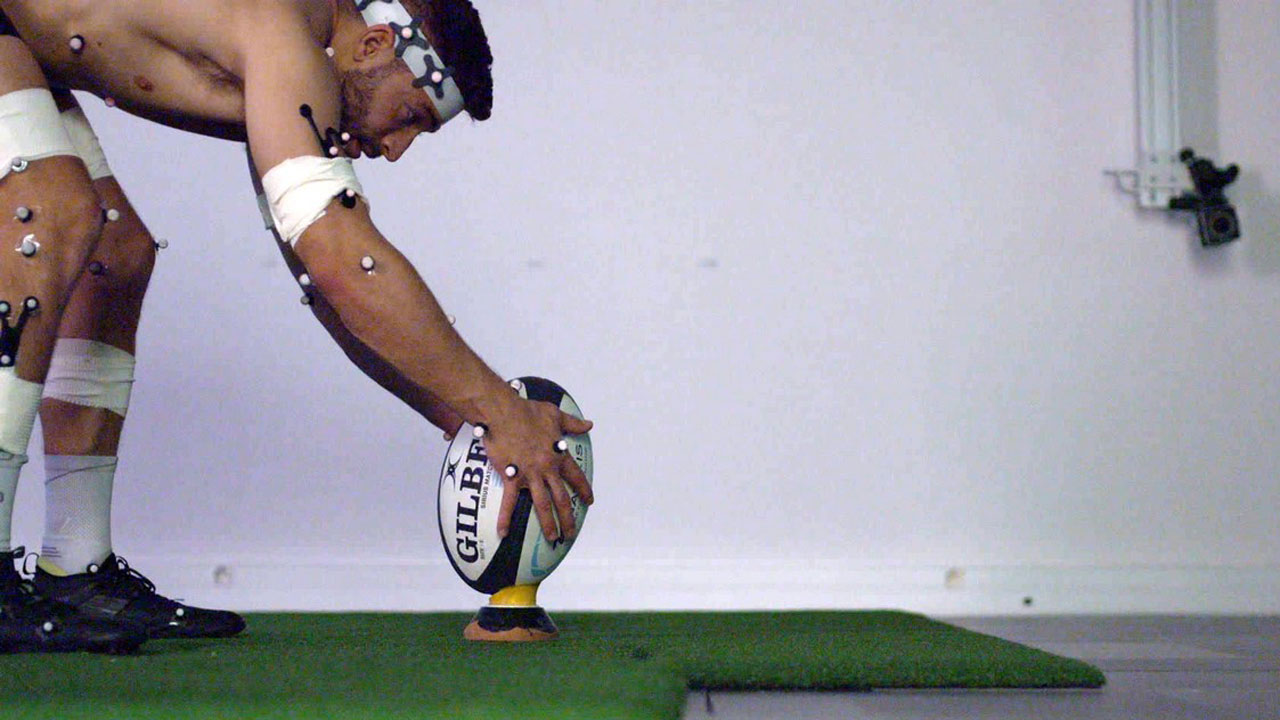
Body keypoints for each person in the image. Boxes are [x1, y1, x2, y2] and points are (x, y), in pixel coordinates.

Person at [0, 0, 593, 654]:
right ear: (373, 45)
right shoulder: (286, 42)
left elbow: (327, 287)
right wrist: (499, 410)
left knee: (115, 254)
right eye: (410, 117)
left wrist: (468, 421)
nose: (395, 150)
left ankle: (75, 568)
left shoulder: (283, 68)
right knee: (46, 213)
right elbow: (345, 265)